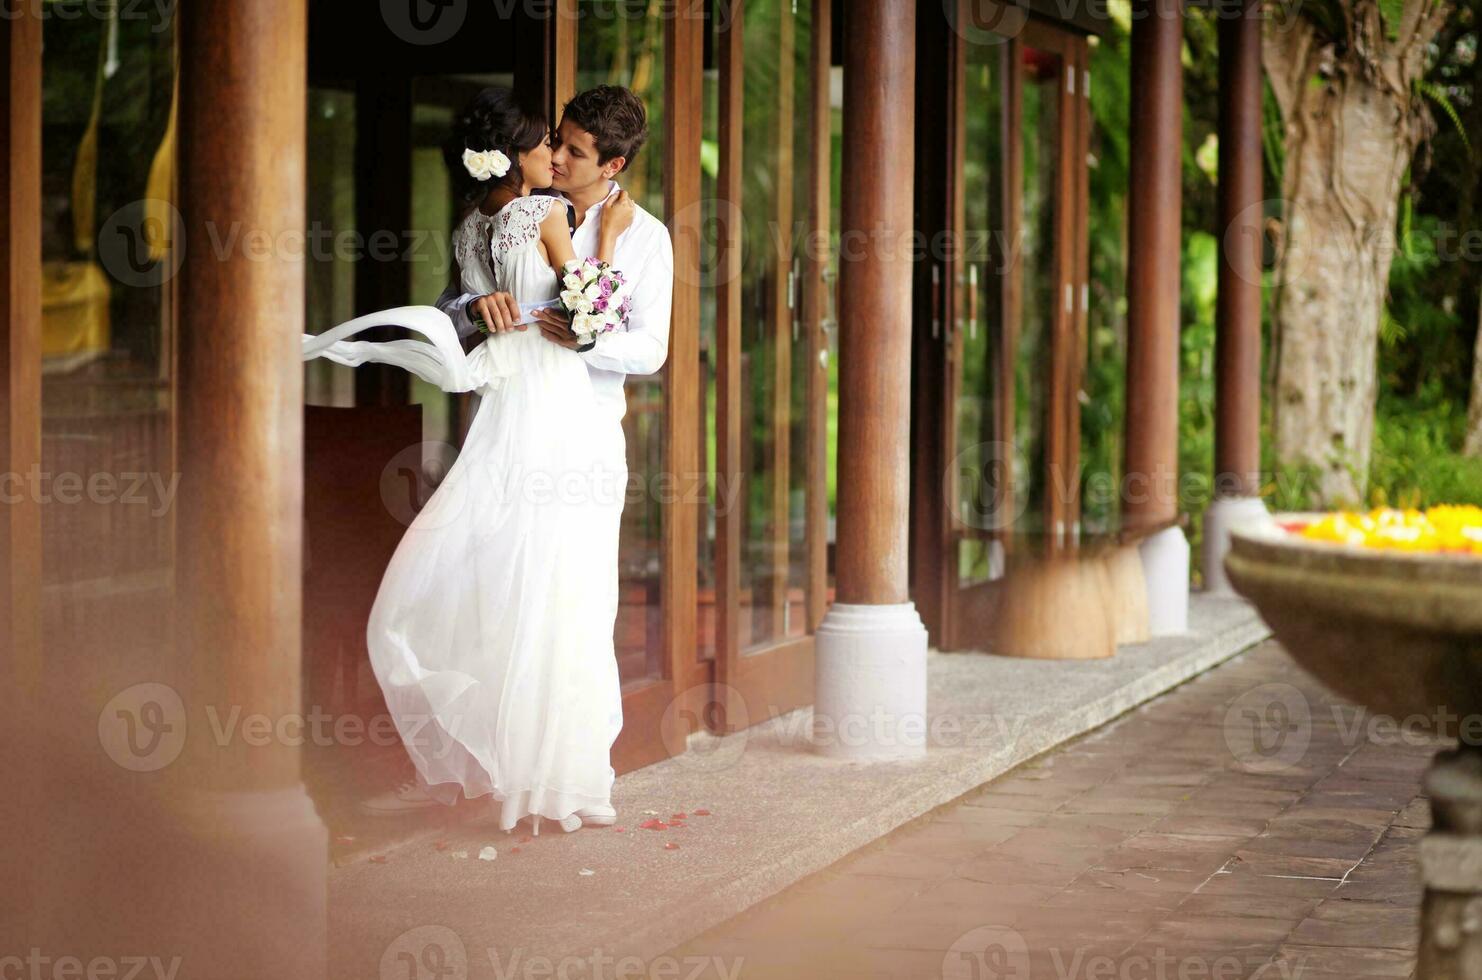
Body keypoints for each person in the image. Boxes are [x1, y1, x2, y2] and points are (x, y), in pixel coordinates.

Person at [303, 85, 657, 835]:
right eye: (553, 141)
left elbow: (645, 346)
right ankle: (500, 766)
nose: (559, 156)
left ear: (613, 162)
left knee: (569, 604)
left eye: (574, 150)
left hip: (582, 441)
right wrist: (478, 311)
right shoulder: (525, 214)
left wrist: (581, 329)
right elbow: (458, 304)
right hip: (514, 423)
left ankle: (560, 774)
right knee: (497, 589)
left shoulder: (643, 234)